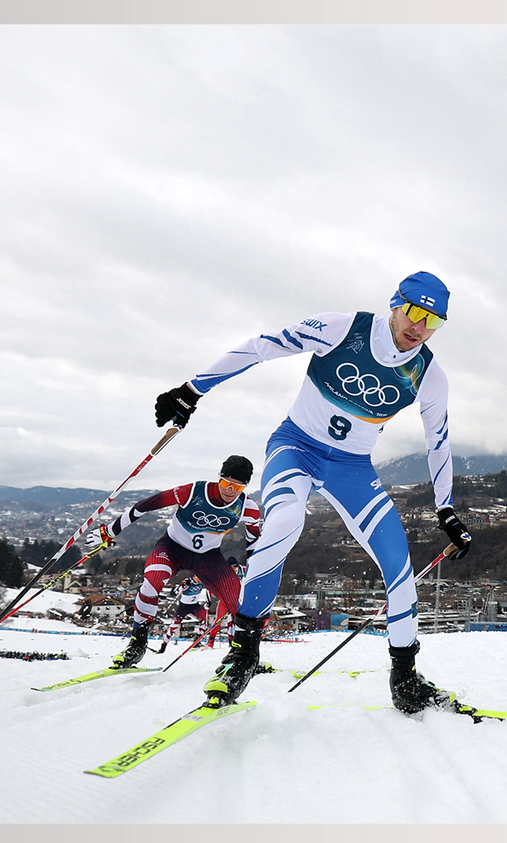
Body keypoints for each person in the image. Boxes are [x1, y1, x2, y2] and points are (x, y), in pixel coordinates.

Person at [151, 271, 474, 714]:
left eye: (433, 321)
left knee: (399, 565)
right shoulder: (342, 328)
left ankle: (405, 680)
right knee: (284, 522)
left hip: (352, 467)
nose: (419, 327)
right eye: (415, 312)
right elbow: (262, 346)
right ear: (395, 304)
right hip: (296, 447)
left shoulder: (429, 375)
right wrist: (193, 389)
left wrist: (446, 509)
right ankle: (242, 654)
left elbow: (438, 441)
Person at [85, 455, 261, 669]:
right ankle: (137, 645)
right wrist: (110, 531)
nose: (230, 491)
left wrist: (256, 571)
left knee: (239, 602)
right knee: (152, 582)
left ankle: (243, 656)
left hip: (208, 557)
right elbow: (143, 506)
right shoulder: (193, 491)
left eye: (238, 487)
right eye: (226, 484)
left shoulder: (247, 507)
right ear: (219, 478)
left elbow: (253, 540)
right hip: (173, 548)